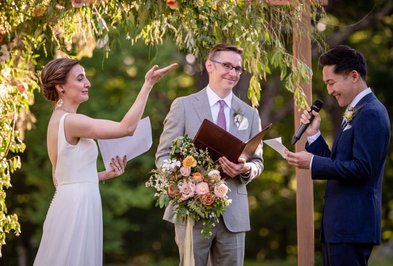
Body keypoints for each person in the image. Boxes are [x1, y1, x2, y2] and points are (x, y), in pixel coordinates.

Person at [34, 58, 177, 266]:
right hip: (78, 207)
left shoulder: (56, 121)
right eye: (80, 78)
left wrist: (101, 175)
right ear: (60, 86)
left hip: (69, 201)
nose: (88, 83)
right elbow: (126, 128)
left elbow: (59, 178)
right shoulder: (72, 121)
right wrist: (148, 85)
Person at [156, 43, 264, 266]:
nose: (232, 73)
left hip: (234, 214)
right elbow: (163, 155)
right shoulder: (183, 106)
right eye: (226, 65)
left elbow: (258, 162)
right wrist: (182, 181)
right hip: (191, 212)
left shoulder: (250, 113)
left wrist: (245, 169)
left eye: (237, 68)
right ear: (209, 66)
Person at [285, 45, 391, 266]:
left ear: (354, 76)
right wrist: (314, 135)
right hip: (340, 228)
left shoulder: (371, 112)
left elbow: (362, 169)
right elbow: (339, 164)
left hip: (352, 227)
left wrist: (312, 162)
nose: (330, 90)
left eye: (331, 82)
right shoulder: (356, 110)